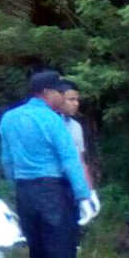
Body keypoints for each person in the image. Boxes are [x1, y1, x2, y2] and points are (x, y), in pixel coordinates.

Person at [0, 70, 93, 258]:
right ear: (46, 93)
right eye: (60, 93)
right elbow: (69, 160)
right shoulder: (52, 120)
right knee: (60, 254)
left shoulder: (9, 119)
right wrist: (83, 195)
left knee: (38, 252)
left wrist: (17, 186)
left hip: (24, 192)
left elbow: (6, 159)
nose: (63, 98)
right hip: (53, 192)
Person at [55, 80, 100, 218]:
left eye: (77, 100)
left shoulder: (75, 127)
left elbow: (81, 162)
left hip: (72, 187)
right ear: (58, 99)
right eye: (71, 99)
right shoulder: (49, 124)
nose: (76, 103)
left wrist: (90, 192)